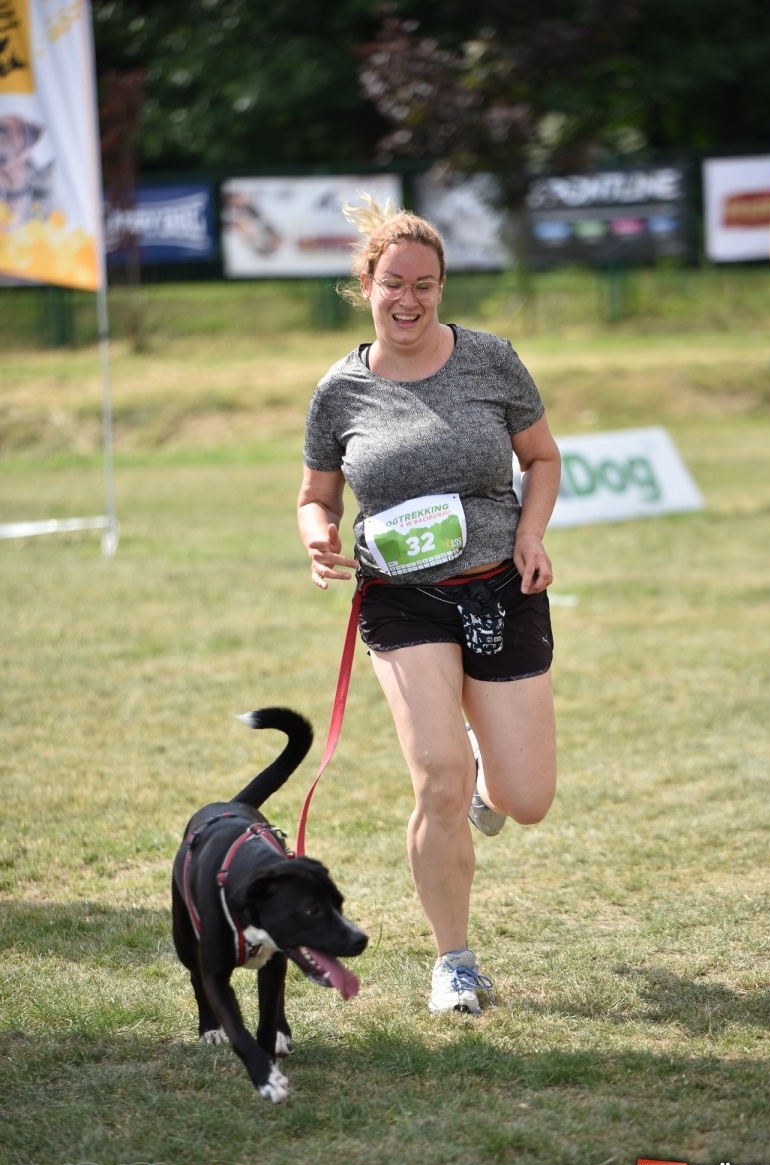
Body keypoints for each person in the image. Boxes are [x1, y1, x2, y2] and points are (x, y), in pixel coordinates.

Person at [297, 196, 561, 1015]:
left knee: (526, 801)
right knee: (438, 780)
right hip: (401, 600)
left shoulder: (490, 361)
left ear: (441, 287)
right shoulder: (340, 391)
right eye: (392, 284)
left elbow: (542, 458)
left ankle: (487, 773)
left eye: (424, 284)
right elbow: (315, 495)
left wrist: (530, 533)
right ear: (366, 286)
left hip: (501, 586)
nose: (407, 299)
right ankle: (455, 962)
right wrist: (316, 535)